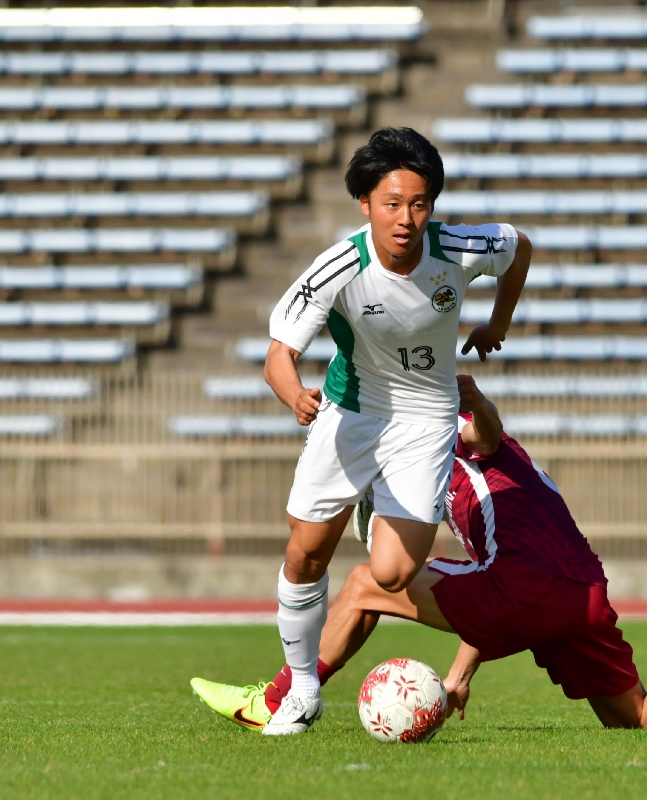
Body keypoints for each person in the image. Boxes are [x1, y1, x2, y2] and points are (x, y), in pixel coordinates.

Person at [192, 376, 647, 735]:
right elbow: (491, 591)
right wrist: (460, 675)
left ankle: (276, 701)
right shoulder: (475, 482)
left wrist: (473, 401)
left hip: (527, 586)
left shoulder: (456, 438)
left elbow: (485, 432)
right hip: (581, 593)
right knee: (633, 714)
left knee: (365, 583)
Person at [259, 128, 532, 735]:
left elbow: (520, 247)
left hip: (426, 419)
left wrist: (498, 323)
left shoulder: (458, 247)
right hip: (350, 412)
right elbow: (279, 353)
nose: (406, 218)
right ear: (366, 204)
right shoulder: (338, 267)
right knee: (304, 555)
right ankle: (302, 690)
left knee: (390, 575)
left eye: (418, 204)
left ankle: (374, 503)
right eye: (391, 203)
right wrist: (294, 394)